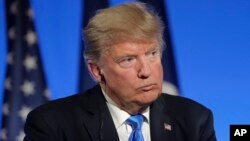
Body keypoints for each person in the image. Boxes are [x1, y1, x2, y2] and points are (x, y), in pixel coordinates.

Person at [24, 2, 216, 141]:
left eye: (152, 54)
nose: (146, 71)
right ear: (96, 70)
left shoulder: (194, 120)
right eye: (128, 60)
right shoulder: (53, 125)